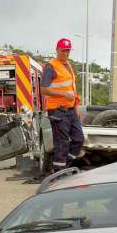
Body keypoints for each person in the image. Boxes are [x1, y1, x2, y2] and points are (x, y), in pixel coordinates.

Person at [40, 38, 84, 172]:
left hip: (70, 110)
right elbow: (44, 89)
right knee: (62, 143)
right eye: (63, 50)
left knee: (78, 139)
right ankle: (59, 173)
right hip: (57, 111)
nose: (65, 53)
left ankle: (65, 167)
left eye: (67, 50)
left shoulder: (68, 65)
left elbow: (72, 88)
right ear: (57, 50)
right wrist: (63, 95)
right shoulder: (51, 66)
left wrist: (77, 105)